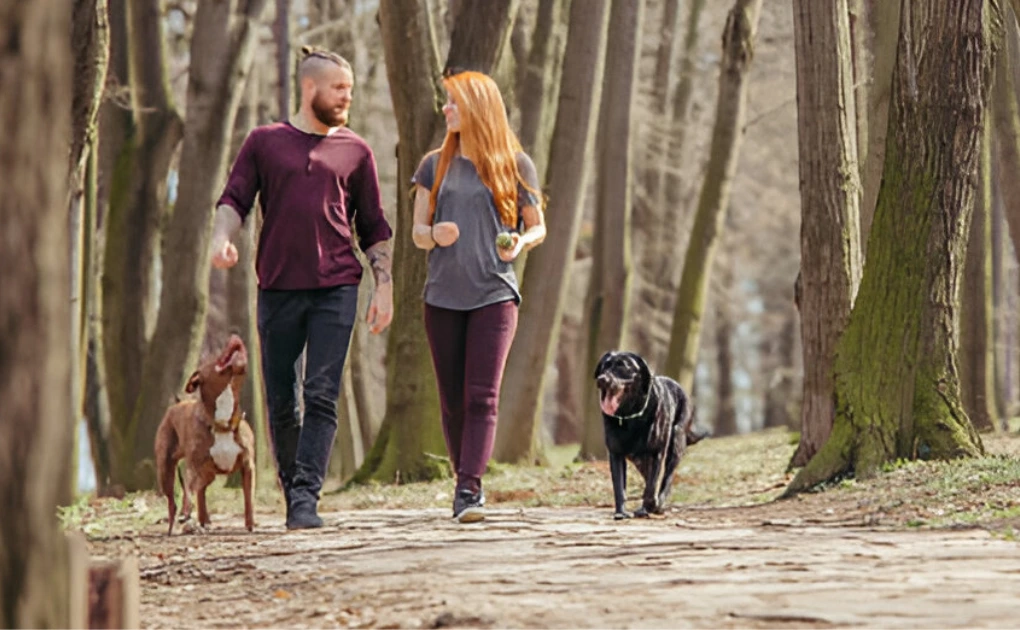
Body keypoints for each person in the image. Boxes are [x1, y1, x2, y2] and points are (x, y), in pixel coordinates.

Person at [210, 47, 393, 530]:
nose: (347, 96)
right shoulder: (265, 142)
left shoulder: (357, 150)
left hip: (336, 287)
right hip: (277, 288)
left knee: (321, 393)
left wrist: (383, 286)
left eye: (350, 89)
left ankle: (306, 497)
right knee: (281, 400)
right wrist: (220, 238)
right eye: (339, 88)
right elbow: (234, 200)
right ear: (309, 89)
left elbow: (373, 226)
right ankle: (293, 488)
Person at [410, 69, 547, 523]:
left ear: (477, 107)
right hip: (442, 297)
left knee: (482, 396)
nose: (446, 109)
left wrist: (519, 243)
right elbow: (416, 234)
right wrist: (436, 233)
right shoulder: (434, 165)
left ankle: (469, 489)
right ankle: (462, 476)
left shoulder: (515, 163)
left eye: (453, 102)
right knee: (451, 400)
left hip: (494, 292)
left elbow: (537, 226)